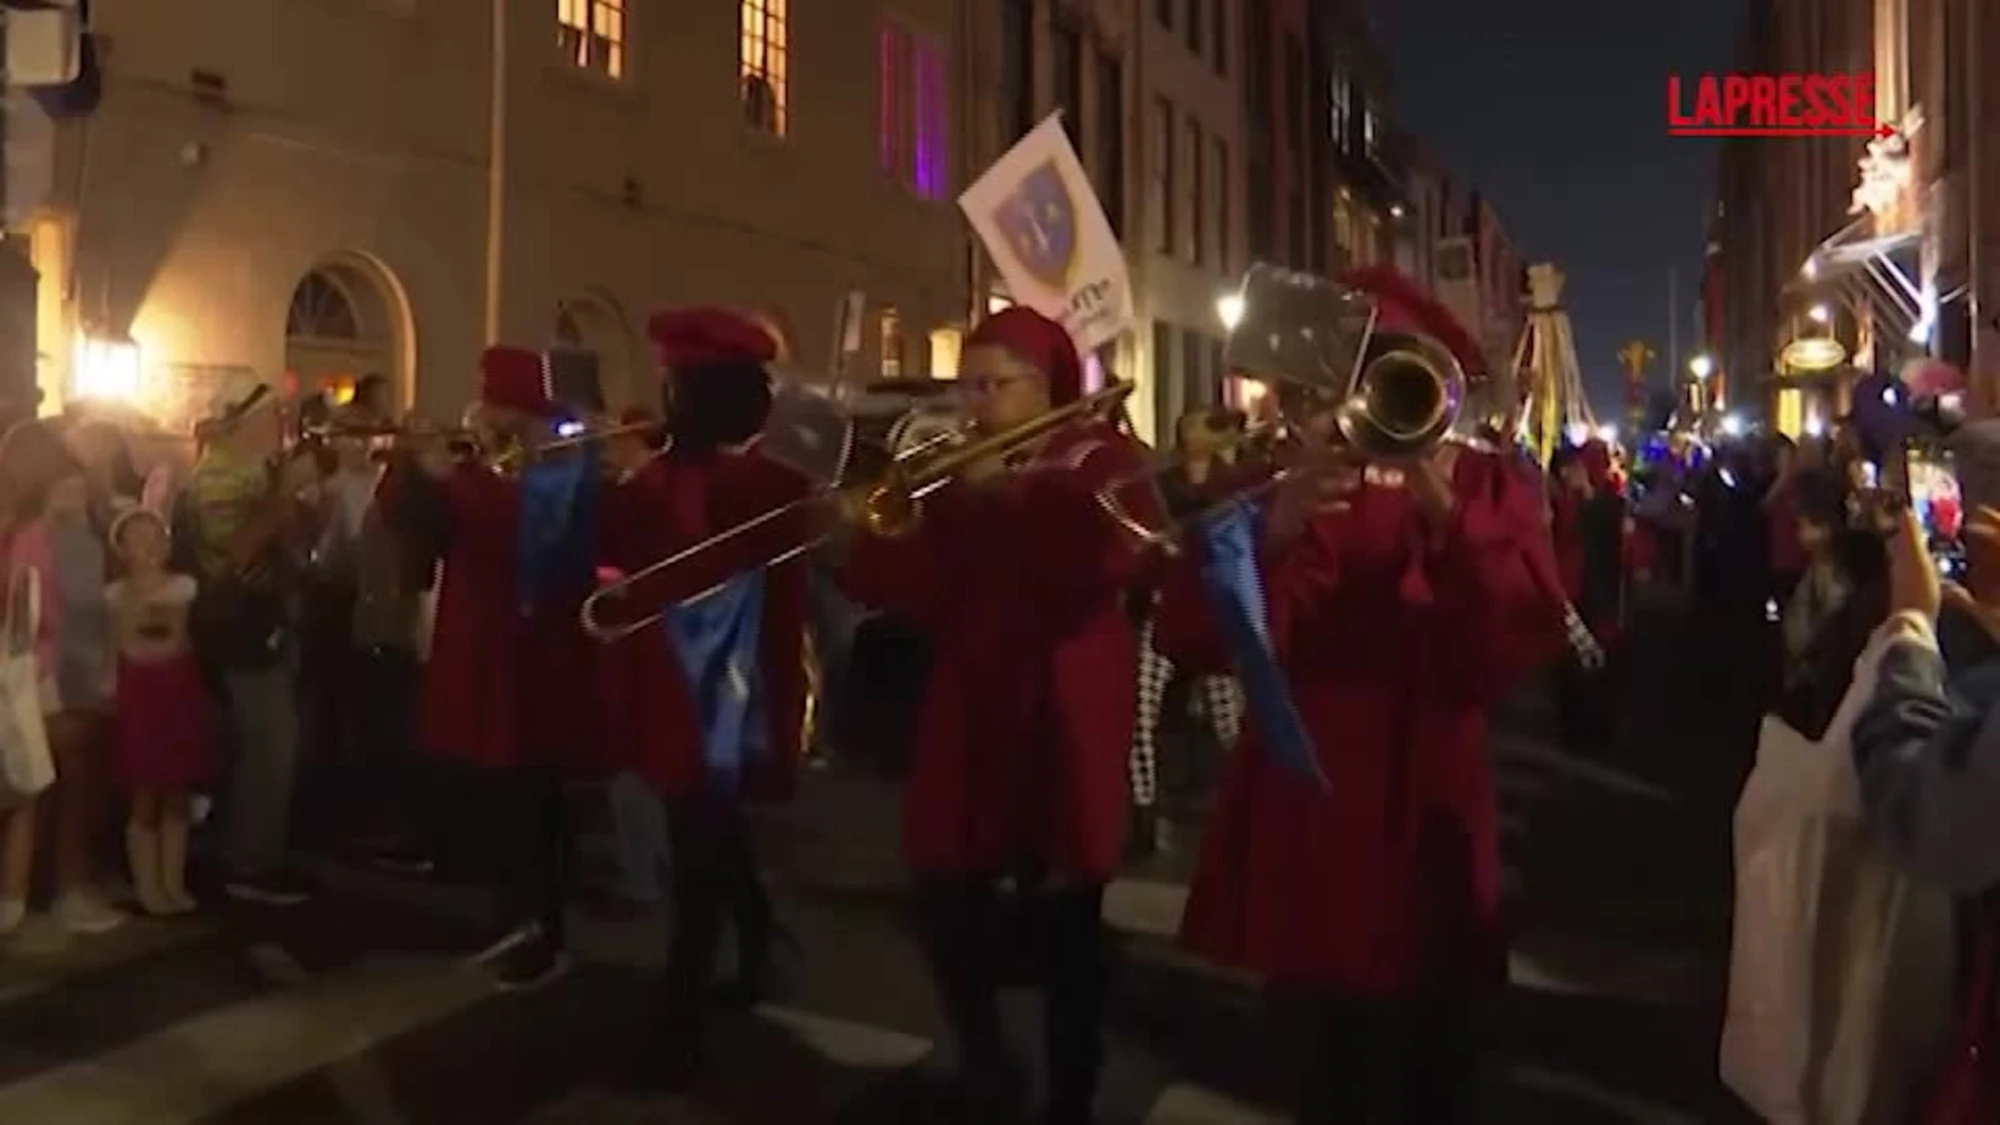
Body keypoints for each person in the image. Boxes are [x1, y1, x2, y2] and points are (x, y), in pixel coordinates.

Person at [1154, 366, 1566, 1119]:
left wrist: (1443, 505)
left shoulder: (1482, 479)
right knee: (1315, 1052)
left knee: (1431, 1057)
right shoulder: (1290, 475)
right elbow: (1191, 634)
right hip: (1310, 791)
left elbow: (1519, 635)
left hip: (1429, 782)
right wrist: (1272, 531)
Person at [830, 306, 1149, 1123]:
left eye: (991, 384)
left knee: (1067, 920)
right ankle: (987, 1064)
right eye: (966, 384)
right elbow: (910, 589)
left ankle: (1071, 1092)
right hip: (971, 701)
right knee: (945, 896)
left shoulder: (1100, 454)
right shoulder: (957, 470)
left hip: (1062, 702)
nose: (972, 402)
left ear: (1043, 387)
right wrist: (882, 531)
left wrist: (1004, 497)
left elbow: (1105, 557)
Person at [596, 308, 810, 1086]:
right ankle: (758, 948)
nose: (663, 396)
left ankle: (677, 1030)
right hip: (680, 686)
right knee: (710, 838)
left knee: (699, 850)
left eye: (673, 384)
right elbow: (616, 549)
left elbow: (691, 551)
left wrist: (637, 481)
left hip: (728, 693)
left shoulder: (761, 482)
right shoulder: (669, 476)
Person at [382, 345, 604, 991]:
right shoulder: (483, 463)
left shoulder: (561, 464)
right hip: (480, 645)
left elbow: (524, 532)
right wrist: (412, 465)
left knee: (534, 797)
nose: (483, 415)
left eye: (497, 405)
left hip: (531, 653)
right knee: (499, 798)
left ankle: (542, 928)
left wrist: (454, 475)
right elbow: (410, 521)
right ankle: (512, 918)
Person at [184, 384, 319, 906]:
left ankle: (259, 853)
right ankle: (250, 865)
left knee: (271, 742)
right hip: (241, 628)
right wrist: (285, 492)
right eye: (273, 415)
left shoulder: (252, 470)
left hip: (268, 618)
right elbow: (237, 552)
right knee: (268, 743)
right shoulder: (218, 476)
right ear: (244, 421)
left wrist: (300, 503)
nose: (282, 423)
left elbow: (290, 540)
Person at [2, 436, 125, 936]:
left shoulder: (16, 534)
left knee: (34, 794)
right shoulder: (57, 539)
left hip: (28, 677)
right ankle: (68, 892)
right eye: (70, 486)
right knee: (74, 787)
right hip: (60, 676)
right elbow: (75, 615)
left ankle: (23, 892)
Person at [106, 506, 213, 916]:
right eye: (138, 539)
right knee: (144, 792)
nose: (149, 546)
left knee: (176, 790)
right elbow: (125, 645)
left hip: (174, 690)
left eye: (156, 536)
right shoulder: (115, 595)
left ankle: (172, 882)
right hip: (140, 695)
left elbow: (171, 638)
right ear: (123, 550)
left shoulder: (181, 588)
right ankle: (148, 886)